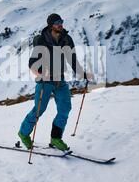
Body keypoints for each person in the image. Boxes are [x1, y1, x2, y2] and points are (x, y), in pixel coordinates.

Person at [18, 13, 92, 151]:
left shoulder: (66, 39)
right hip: (44, 81)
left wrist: (82, 73)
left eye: (61, 22)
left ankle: (56, 138)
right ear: (51, 25)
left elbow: (72, 59)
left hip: (60, 80)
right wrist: (40, 74)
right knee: (39, 110)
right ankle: (23, 133)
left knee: (65, 109)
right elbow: (32, 62)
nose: (60, 25)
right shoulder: (42, 40)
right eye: (57, 22)